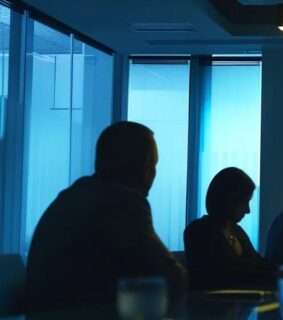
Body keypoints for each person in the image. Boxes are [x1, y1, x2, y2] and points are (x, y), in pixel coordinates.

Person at [25, 121, 187, 312]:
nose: (153, 173)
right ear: (140, 166)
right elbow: (171, 278)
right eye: (151, 163)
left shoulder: (73, 196)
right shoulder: (123, 202)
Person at [184, 167, 276, 290]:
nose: (248, 210)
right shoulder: (199, 232)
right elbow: (227, 274)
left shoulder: (236, 231)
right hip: (214, 306)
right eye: (245, 202)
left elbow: (260, 265)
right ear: (230, 200)